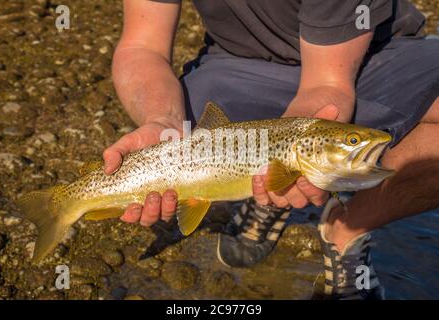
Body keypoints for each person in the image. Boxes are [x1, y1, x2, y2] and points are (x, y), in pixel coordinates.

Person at [103, 0, 439, 299]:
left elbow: (326, 83)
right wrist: (162, 119)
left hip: (367, 58)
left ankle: (347, 226)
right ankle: (264, 186)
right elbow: (143, 48)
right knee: (188, 127)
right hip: (238, 65)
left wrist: (293, 147)